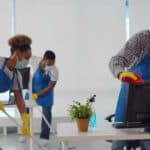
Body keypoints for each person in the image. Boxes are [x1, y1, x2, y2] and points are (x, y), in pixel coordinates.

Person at [109, 29, 150, 150]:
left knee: (148, 144)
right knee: (118, 143)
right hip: (130, 97)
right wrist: (121, 73)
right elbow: (116, 60)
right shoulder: (142, 39)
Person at [0, 34, 32, 138]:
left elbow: (19, 99)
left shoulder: (16, 75)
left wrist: (25, 119)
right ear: (17, 53)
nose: (27, 62)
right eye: (26, 58)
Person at [32, 50, 59, 147]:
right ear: (44, 59)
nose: (50, 66)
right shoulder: (35, 61)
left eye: (52, 64)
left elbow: (51, 86)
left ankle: (44, 138)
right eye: (49, 64)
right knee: (25, 109)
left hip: (46, 93)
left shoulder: (54, 70)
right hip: (33, 89)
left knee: (46, 114)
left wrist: (38, 95)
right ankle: (24, 130)